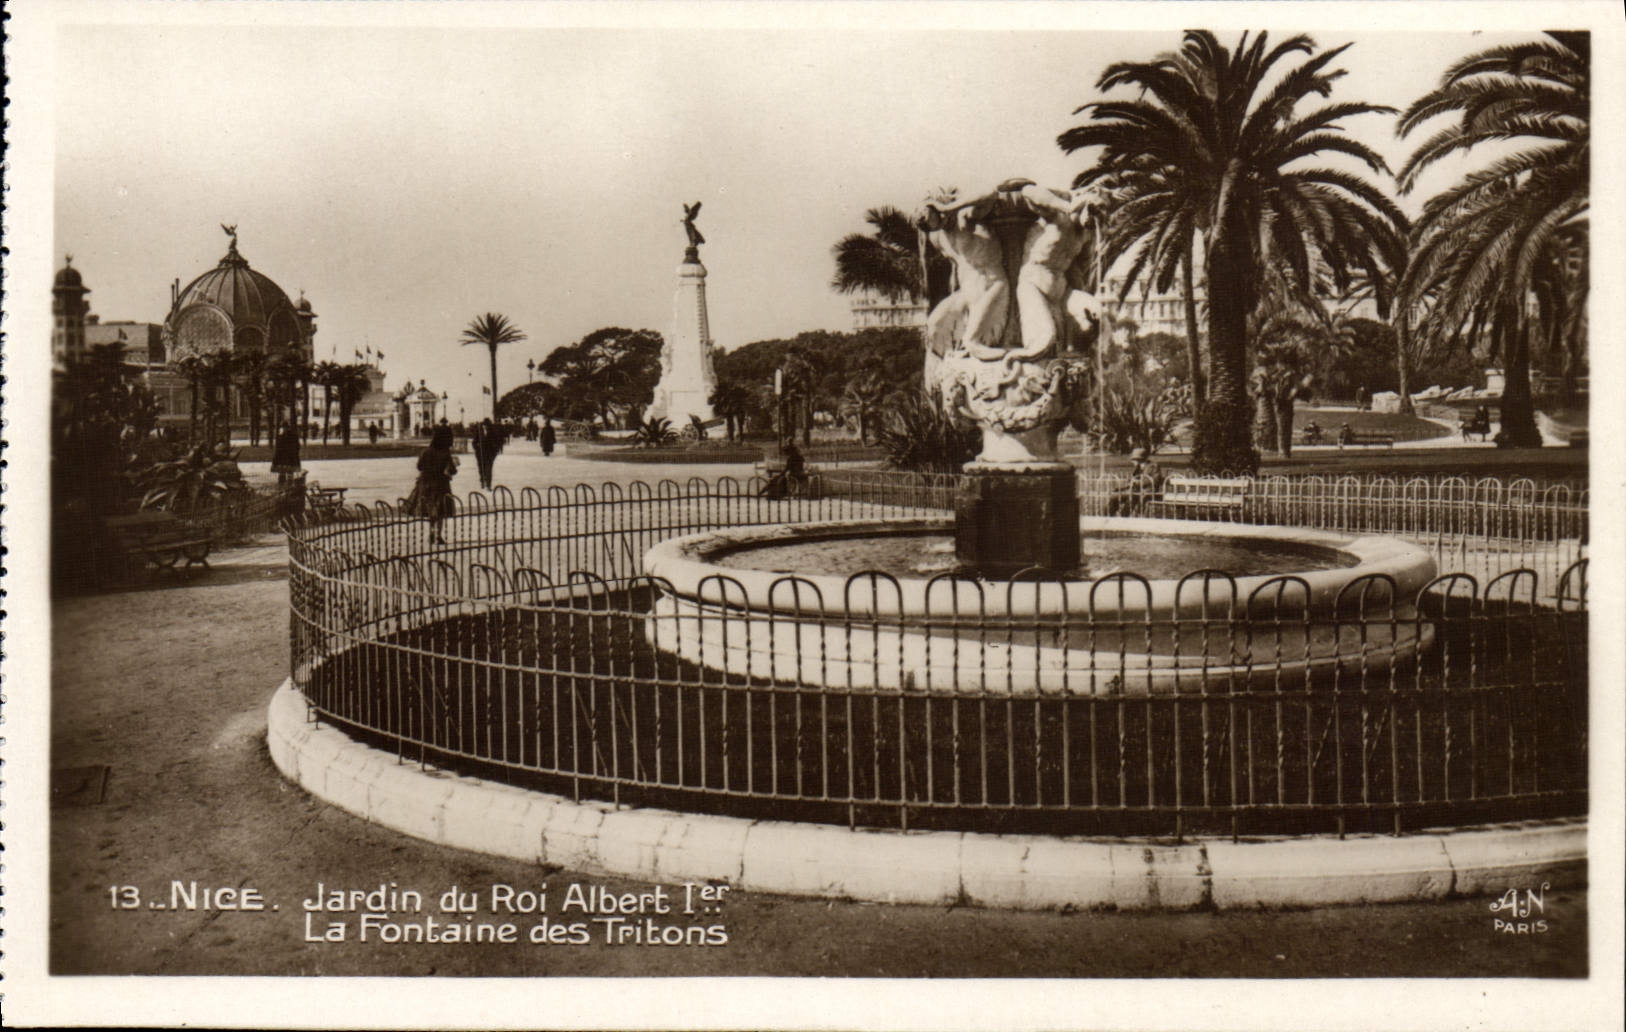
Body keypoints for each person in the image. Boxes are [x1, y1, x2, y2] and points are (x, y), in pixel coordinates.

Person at [404, 425, 458, 544]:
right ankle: (438, 534)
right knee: (440, 510)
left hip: (426, 483)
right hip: (441, 483)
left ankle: (431, 532)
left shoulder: (426, 451)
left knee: (431, 509)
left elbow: (419, 466)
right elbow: (453, 470)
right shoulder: (445, 453)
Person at [1109, 447, 1164, 516]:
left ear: (1139, 459)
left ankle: (1124, 517)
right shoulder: (1138, 467)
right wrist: (1122, 488)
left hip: (1147, 491)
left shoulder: (1153, 466)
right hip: (1135, 491)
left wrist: (1138, 483)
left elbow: (1155, 480)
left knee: (1132, 498)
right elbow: (1133, 480)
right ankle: (1109, 517)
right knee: (1114, 497)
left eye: (1133, 460)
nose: (1132, 462)